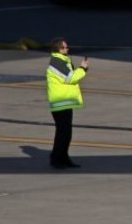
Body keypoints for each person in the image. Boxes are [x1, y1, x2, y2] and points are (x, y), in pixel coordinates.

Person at [46, 37, 88, 169]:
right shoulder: (57, 62)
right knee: (62, 133)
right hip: (60, 103)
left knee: (66, 132)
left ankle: (63, 157)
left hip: (65, 102)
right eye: (65, 47)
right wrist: (83, 68)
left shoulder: (63, 60)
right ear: (59, 49)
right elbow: (70, 78)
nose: (67, 49)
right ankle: (56, 159)